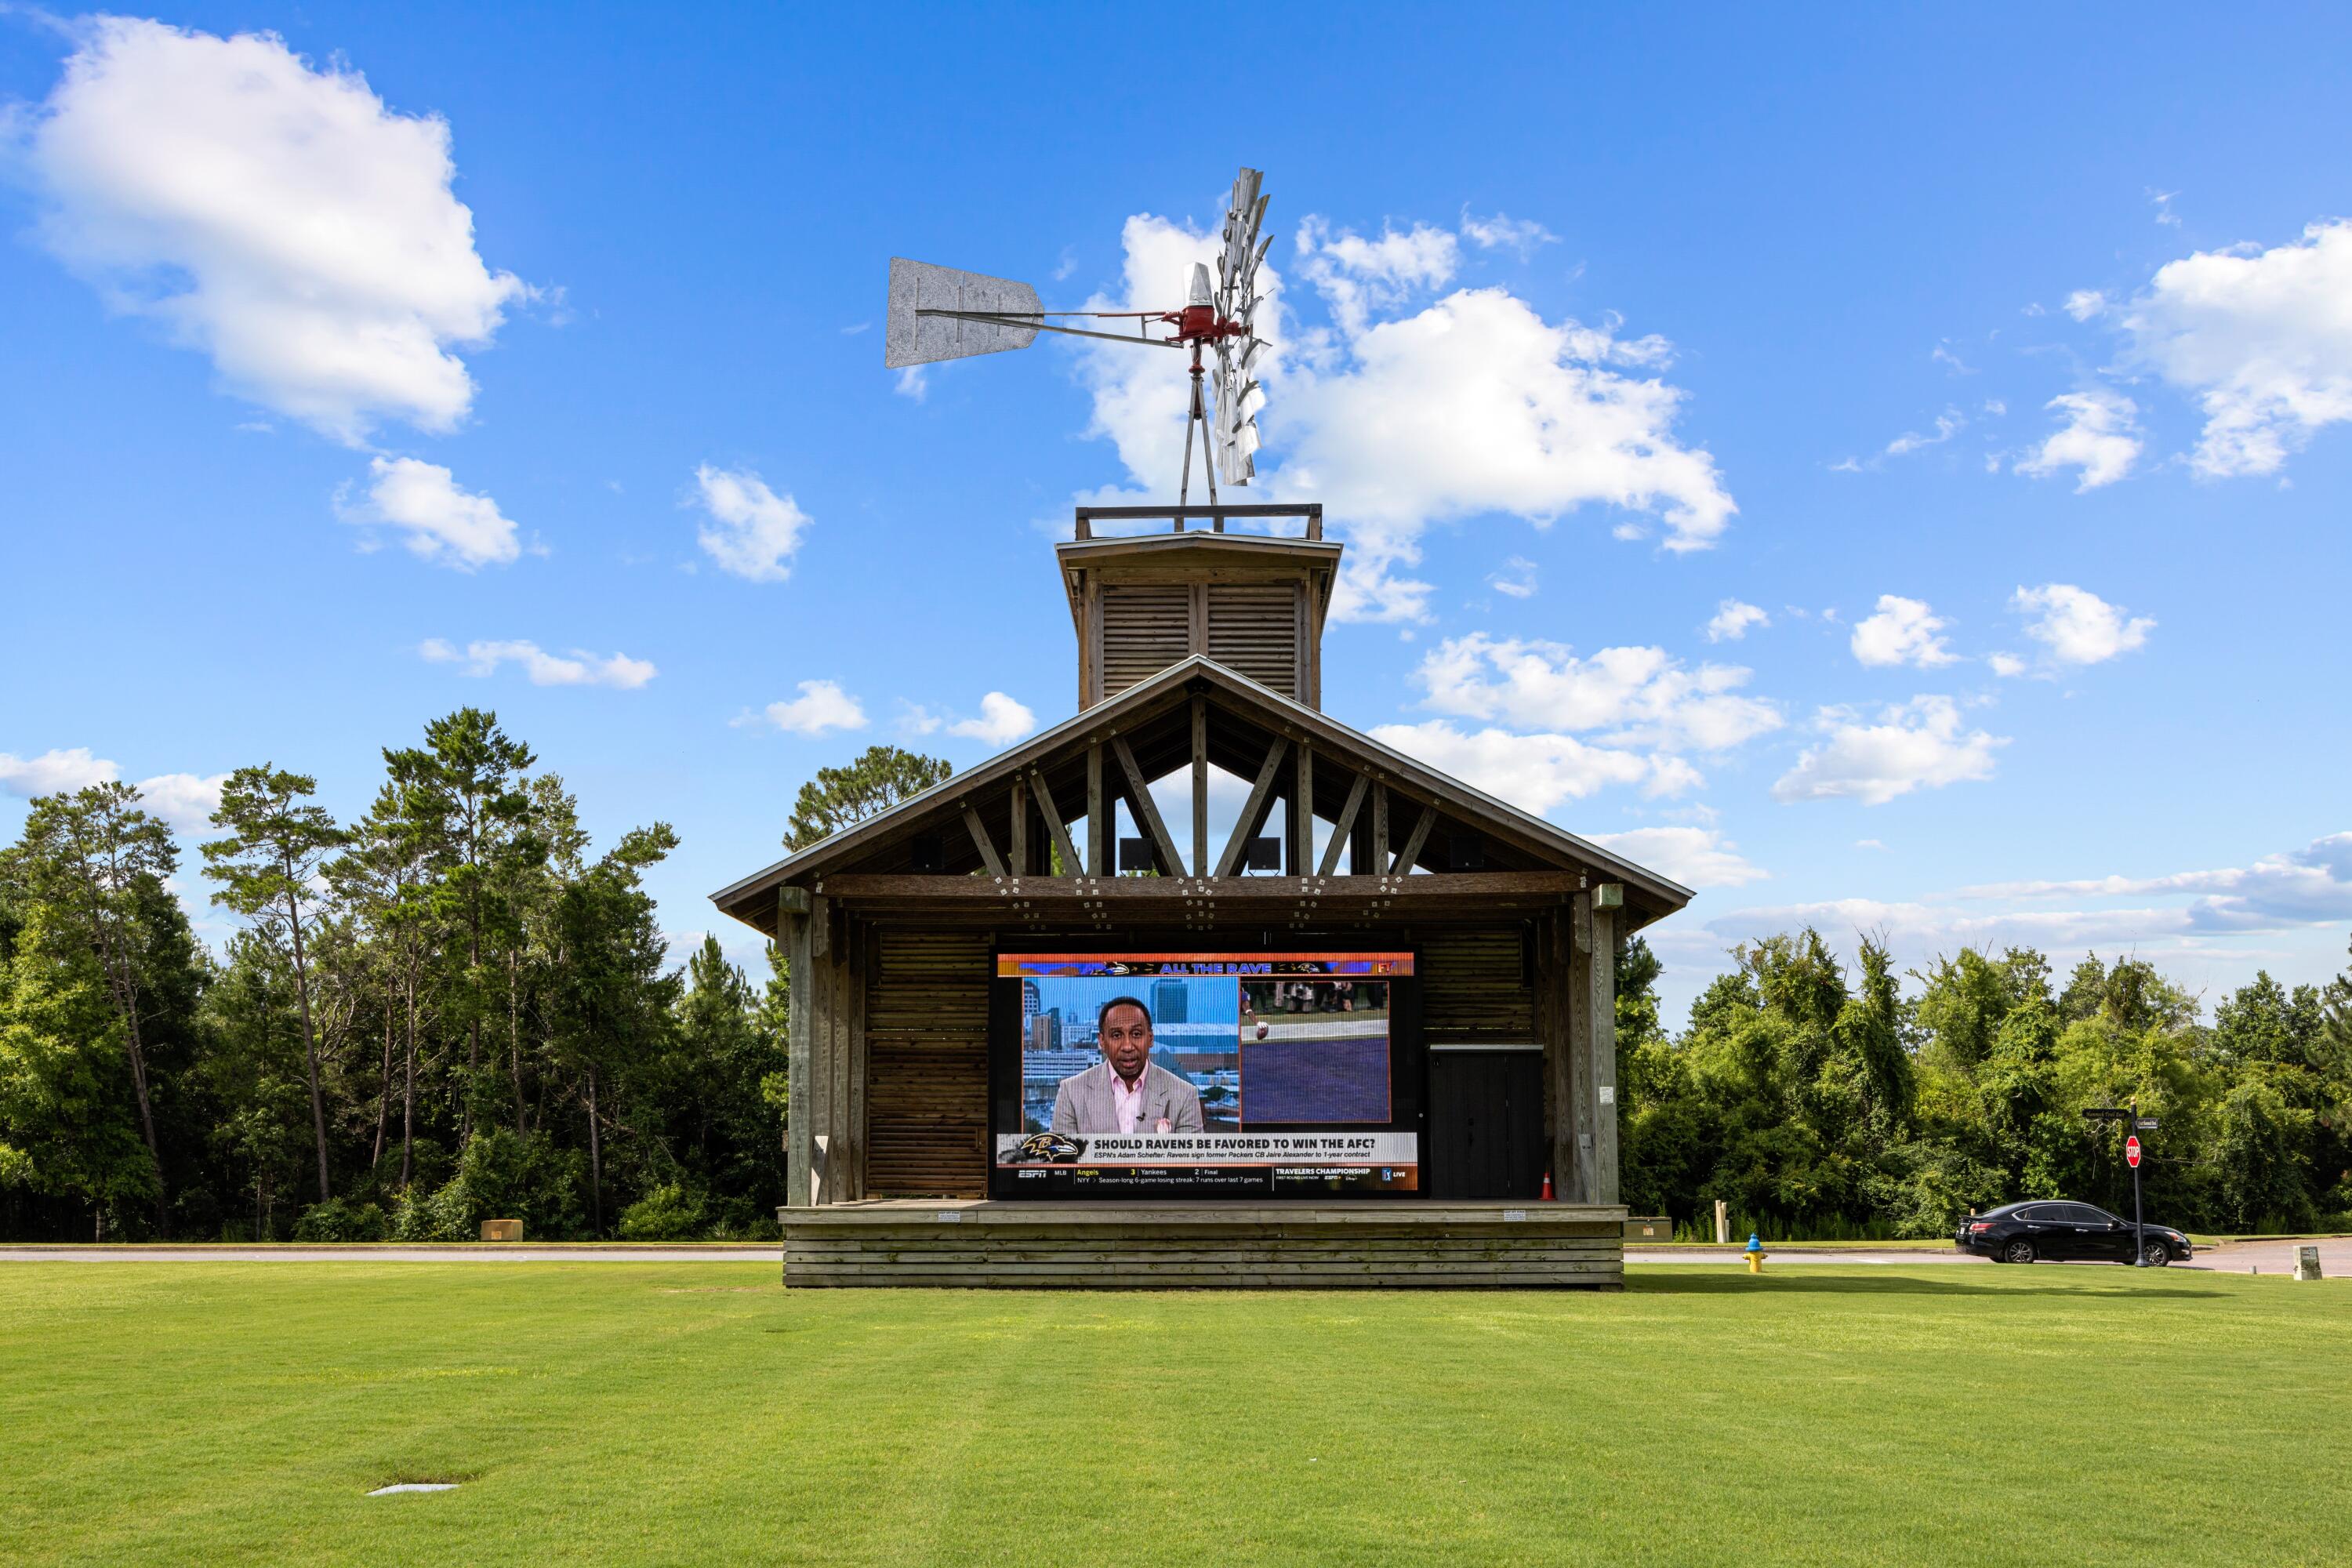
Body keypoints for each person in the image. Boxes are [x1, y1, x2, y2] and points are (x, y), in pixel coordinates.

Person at [1052, 996, 1205, 1136]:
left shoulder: (1185, 1094)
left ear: (1150, 1039)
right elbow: (1061, 1160)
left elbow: (1192, 1163)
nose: (1127, 1046)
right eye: (1117, 1035)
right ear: (1102, 1041)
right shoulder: (1071, 1092)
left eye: (1136, 1034)